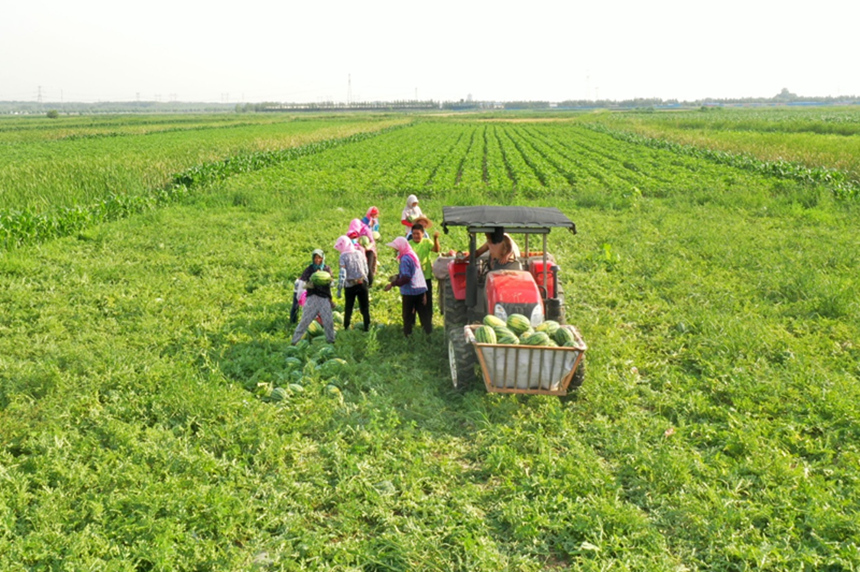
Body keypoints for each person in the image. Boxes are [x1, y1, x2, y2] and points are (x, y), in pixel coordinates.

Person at [383, 236, 432, 336]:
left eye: (396, 248)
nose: (395, 250)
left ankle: (407, 335)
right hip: (420, 289)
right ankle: (428, 334)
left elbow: (406, 277)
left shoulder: (405, 259)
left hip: (410, 291)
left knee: (407, 315)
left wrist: (392, 284)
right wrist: (397, 276)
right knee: (423, 313)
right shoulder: (412, 255)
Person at [291, 249, 336, 344]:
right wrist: (308, 284)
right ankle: (295, 341)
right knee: (305, 320)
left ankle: (331, 340)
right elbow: (302, 282)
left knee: (328, 321)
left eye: (319, 257)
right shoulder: (309, 269)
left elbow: (331, 281)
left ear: (323, 258)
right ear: (313, 258)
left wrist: (330, 282)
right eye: (315, 257)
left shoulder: (327, 269)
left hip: (324, 298)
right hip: (312, 298)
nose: (317, 260)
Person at [334, 235, 370, 331]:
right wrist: (365, 280)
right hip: (362, 283)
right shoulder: (359, 253)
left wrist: (339, 288)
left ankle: (346, 327)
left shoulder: (343, 256)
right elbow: (366, 268)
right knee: (365, 307)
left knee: (349, 307)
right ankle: (367, 327)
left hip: (350, 285)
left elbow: (343, 274)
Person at [409, 222, 440, 315]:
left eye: (418, 234)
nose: (415, 236)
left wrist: (435, 239)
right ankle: (413, 321)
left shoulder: (427, 242)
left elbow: (436, 250)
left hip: (425, 276)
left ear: (423, 233)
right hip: (413, 277)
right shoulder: (409, 244)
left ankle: (428, 320)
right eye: (414, 234)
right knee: (413, 300)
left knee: (427, 299)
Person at [348, 218, 377, 287]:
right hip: (359, 251)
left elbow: (372, 242)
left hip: (369, 250)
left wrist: (368, 247)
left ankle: (370, 284)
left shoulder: (366, 230)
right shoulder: (351, 232)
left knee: (368, 266)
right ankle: (361, 282)